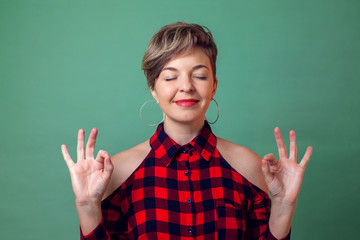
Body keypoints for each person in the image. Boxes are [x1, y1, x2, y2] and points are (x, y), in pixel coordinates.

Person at [61, 22, 313, 240]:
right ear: (153, 88)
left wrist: (284, 203)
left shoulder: (247, 166)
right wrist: (86, 205)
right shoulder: (119, 172)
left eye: (199, 76)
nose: (186, 86)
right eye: (170, 77)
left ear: (214, 86)